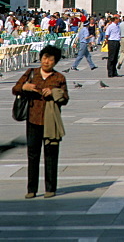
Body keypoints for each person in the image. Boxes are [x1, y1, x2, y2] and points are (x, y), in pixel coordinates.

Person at [13, 45, 69, 199]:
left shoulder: (59, 78)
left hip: (51, 121)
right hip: (33, 118)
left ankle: (50, 188)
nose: (47, 62)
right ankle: (32, 189)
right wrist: (25, 87)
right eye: (45, 58)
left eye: (51, 60)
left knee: (51, 155)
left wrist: (54, 92)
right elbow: (15, 88)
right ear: (41, 58)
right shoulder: (31, 73)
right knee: (33, 155)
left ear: (55, 62)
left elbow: (65, 99)